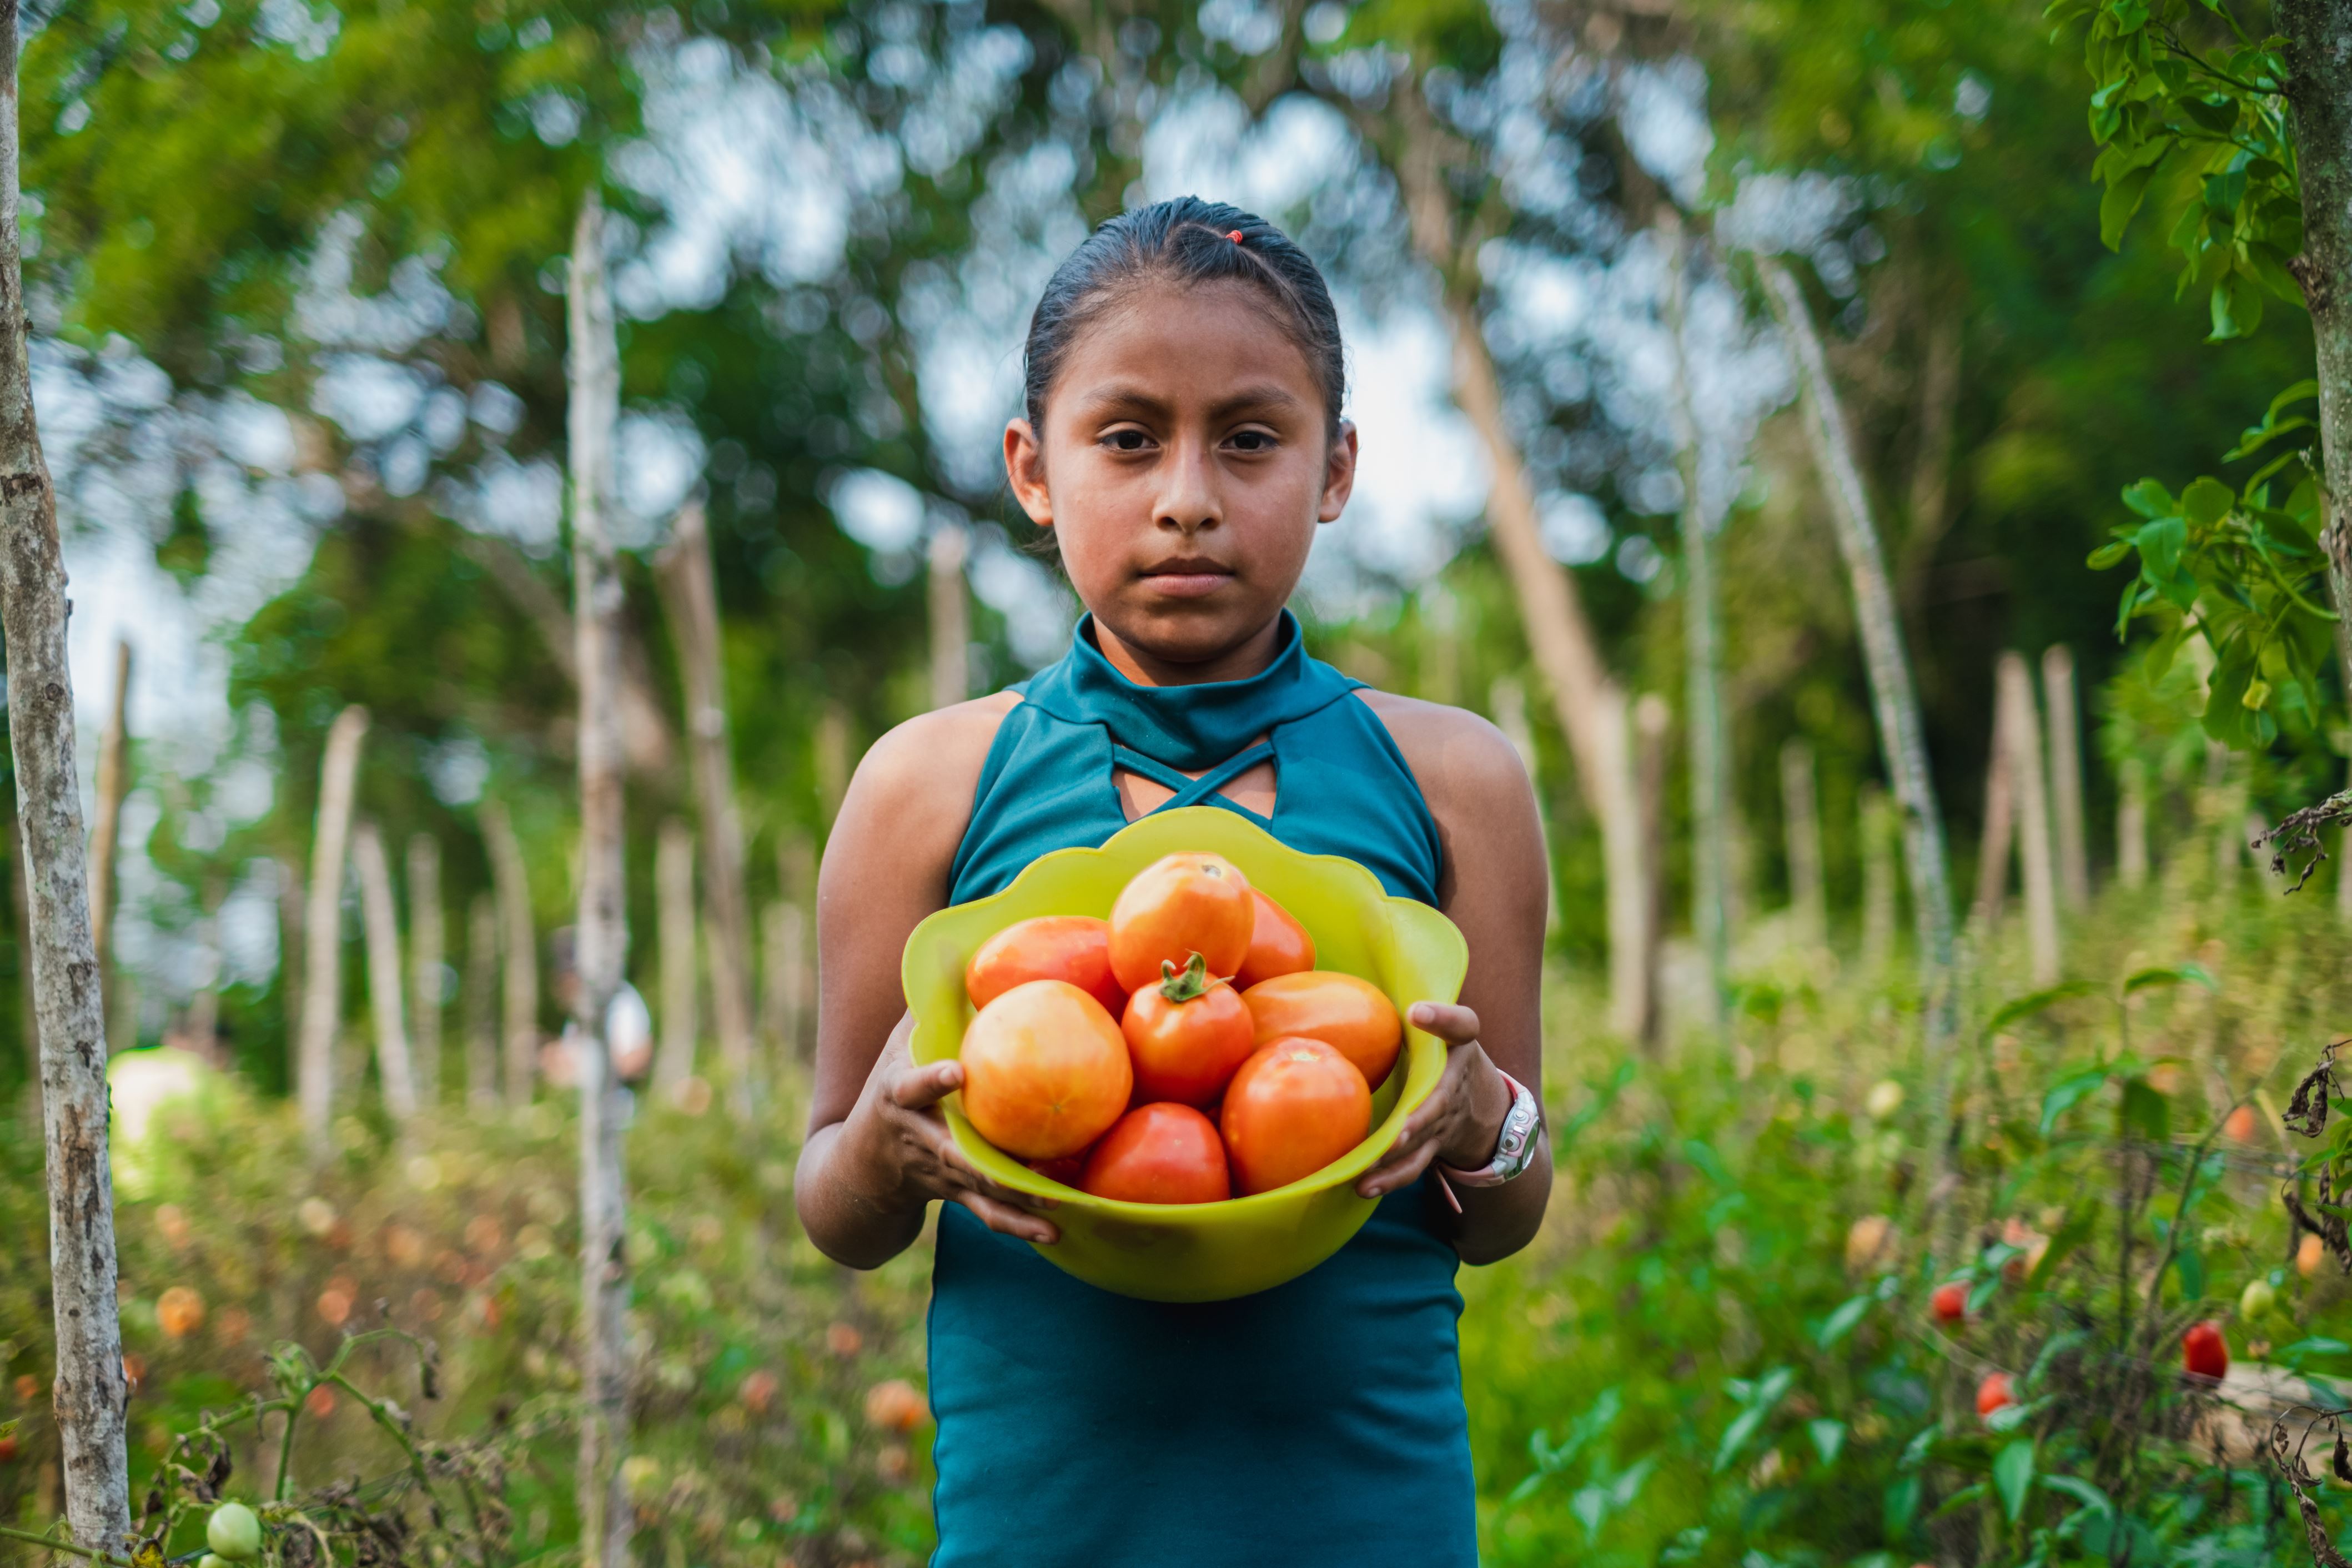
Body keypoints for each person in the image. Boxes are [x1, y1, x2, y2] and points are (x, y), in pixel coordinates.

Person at [796, 197, 1552, 1566]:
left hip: (1366, 1511)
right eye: (1128, 437)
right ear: (1034, 467)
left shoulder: (1458, 779)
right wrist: (880, 1148)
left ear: (1337, 467)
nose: (1187, 494)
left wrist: (1482, 1112)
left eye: (1251, 438)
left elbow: (1504, 1213)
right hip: (1047, 1522)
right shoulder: (926, 782)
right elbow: (833, 1204)